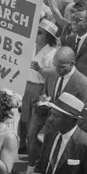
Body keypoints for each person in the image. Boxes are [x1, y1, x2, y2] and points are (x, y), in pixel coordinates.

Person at [28, 47, 87, 170]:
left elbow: (78, 113)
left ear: (72, 64)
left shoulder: (84, 84)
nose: (57, 70)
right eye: (55, 65)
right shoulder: (51, 73)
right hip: (44, 116)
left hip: (62, 125)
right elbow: (44, 92)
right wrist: (42, 101)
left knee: (50, 152)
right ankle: (30, 168)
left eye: (61, 67)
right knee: (31, 135)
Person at [21, 19, 59, 150]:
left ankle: (33, 149)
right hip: (25, 85)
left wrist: (40, 69)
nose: (36, 34)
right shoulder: (30, 46)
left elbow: (52, 77)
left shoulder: (53, 53)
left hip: (40, 88)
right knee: (24, 118)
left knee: (34, 122)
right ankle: (24, 145)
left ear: (47, 36)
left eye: (40, 32)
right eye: (36, 31)